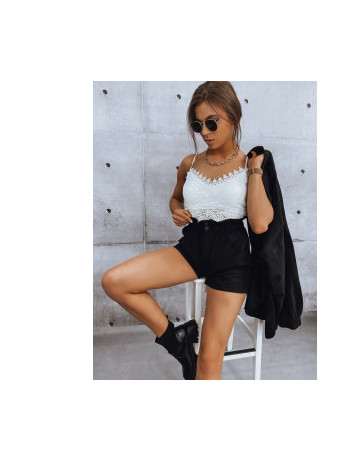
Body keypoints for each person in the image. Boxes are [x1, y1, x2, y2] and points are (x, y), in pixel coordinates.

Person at [101, 81, 274, 380]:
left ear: (233, 116)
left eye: (211, 122)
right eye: (197, 125)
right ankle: (176, 340)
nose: (204, 132)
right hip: (192, 248)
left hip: (232, 260)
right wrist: (176, 211)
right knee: (114, 281)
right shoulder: (189, 163)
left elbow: (259, 224)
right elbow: (176, 198)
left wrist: (256, 170)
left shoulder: (249, 164)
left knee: (207, 361)